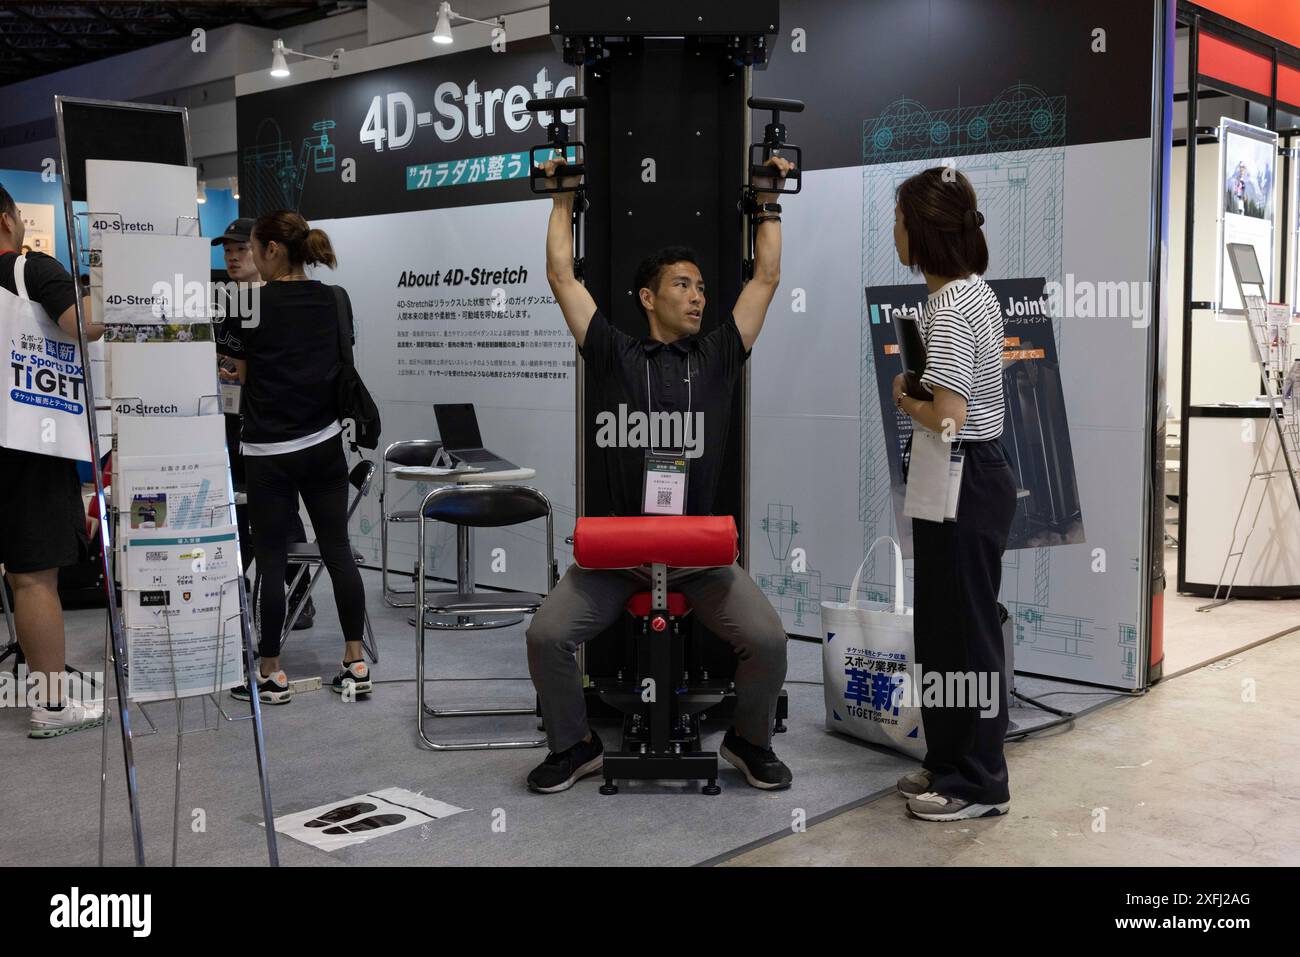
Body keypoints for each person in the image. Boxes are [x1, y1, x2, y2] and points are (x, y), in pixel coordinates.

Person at [522, 154, 796, 794]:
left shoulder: (721, 355)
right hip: (620, 555)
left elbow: (768, 277)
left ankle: (748, 741)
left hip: (698, 556)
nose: (697, 296)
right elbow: (561, 275)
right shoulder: (614, 354)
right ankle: (576, 744)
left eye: (701, 286)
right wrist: (562, 196)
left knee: (771, 642)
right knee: (546, 636)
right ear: (648, 297)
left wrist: (768, 198)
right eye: (682, 285)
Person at [890, 167, 1017, 822]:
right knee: (941, 627)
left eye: (900, 219)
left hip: (966, 471)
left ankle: (978, 780)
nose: (894, 230)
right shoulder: (967, 296)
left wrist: (905, 396)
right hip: (957, 474)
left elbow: (949, 416)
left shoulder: (952, 306)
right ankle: (947, 761)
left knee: (966, 632)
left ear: (923, 231)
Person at [222, 210, 370, 704]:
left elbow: (239, 377)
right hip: (324, 443)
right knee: (338, 550)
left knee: (271, 557)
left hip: (268, 451)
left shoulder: (247, 305)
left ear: (271, 251)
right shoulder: (334, 298)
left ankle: (271, 672)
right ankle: (355, 660)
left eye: (254, 249)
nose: (249, 259)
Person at [0, 182, 105, 737]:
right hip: (26, 445)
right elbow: (85, 325)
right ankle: (50, 705)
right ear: (6, 222)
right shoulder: (30, 269)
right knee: (33, 577)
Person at [211, 217, 315, 630]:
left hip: (273, 427)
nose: (234, 257)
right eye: (228, 251)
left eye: (241, 249)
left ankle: (297, 594)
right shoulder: (225, 303)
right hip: (229, 420)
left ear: (263, 251)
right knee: (239, 504)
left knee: (278, 508)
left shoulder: (277, 302)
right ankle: (245, 592)